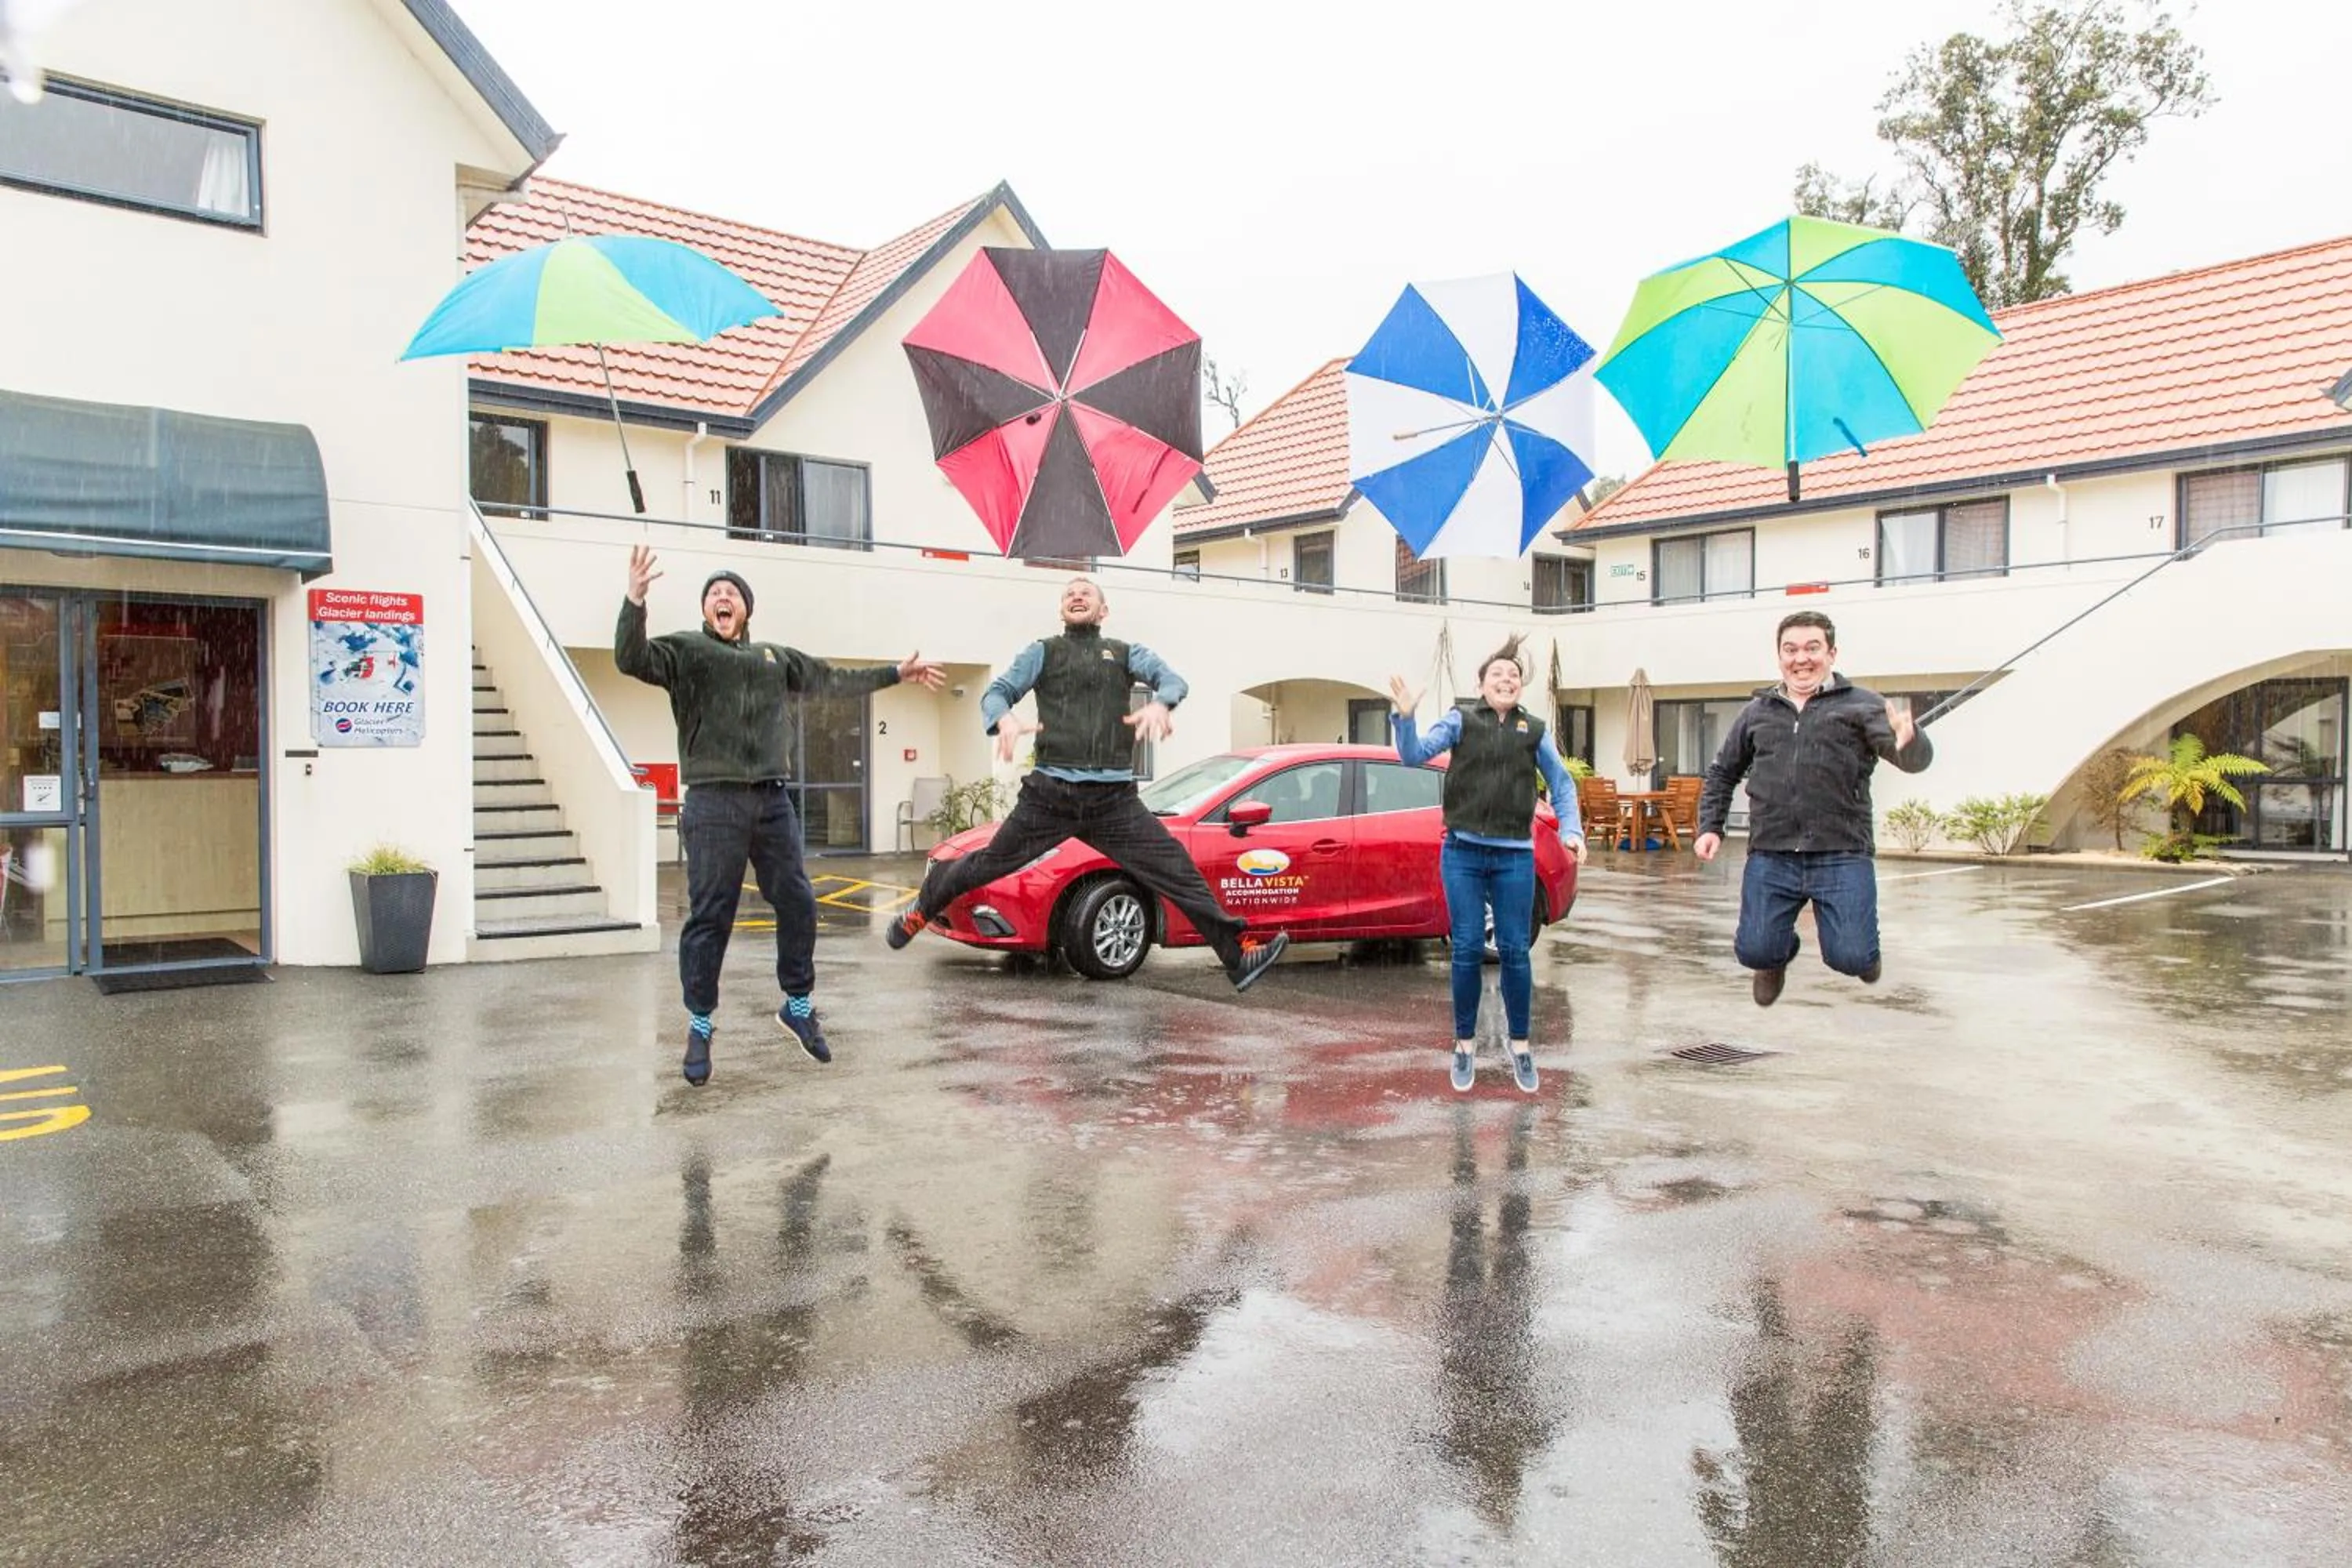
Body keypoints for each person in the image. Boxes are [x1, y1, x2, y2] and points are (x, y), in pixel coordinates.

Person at [617, 545, 944, 1085]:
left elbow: (833, 681)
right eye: (714, 594)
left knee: (798, 901)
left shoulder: (775, 658)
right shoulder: (687, 652)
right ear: (706, 612)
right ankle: (700, 1022)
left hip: (771, 800)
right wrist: (635, 601)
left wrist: (895, 673)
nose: (723, 598)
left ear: (746, 609)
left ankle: (797, 1004)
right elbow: (630, 660)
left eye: (733, 594)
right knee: (710, 915)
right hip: (713, 799)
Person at [883, 576, 1289, 990]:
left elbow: (1172, 680)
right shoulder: (1043, 652)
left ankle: (1239, 957)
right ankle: (922, 907)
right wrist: (1002, 717)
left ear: (1103, 611)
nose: (1077, 597)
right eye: (1069, 594)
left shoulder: (1126, 654)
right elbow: (998, 692)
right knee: (989, 864)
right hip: (1050, 796)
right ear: (1062, 610)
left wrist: (1162, 704)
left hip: (1113, 803)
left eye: (1087, 593)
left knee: (1177, 870)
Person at [1693, 610, 1933, 1007]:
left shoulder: (1862, 705)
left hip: (1841, 854)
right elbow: (1723, 772)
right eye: (1791, 649)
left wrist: (1910, 739)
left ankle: (1862, 954)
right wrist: (1710, 827)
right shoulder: (1757, 712)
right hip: (1772, 854)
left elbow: (1912, 760)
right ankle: (1774, 959)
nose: (1801, 658)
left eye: (1812, 648)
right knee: (1754, 950)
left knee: (1852, 956)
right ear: (1779, 656)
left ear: (1832, 653)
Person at [1389, 635, 1587, 1095]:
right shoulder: (1461, 720)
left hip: (1515, 855)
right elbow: (1412, 754)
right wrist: (1404, 717)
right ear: (1481, 685)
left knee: (1516, 951)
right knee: (1467, 949)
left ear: (1521, 687)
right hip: (1463, 852)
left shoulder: (1533, 730)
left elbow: (1561, 785)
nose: (1506, 680)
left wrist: (1571, 831)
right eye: (1497, 674)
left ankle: (1520, 1045)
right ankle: (1464, 1045)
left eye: (1513, 676)